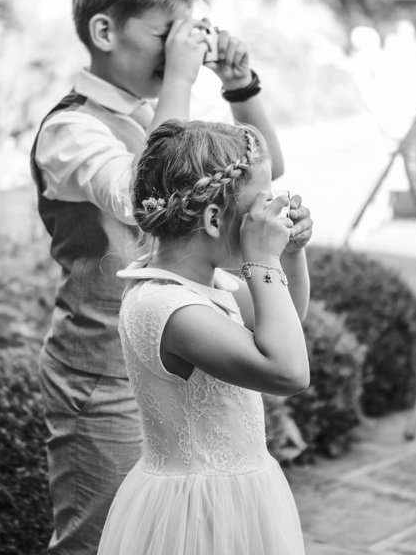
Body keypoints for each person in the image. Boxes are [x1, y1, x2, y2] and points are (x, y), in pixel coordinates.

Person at [29, 0, 285, 554]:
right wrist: (179, 79)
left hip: (185, 357)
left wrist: (239, 86)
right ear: (104, 30)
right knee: (99, 542)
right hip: (105, 376)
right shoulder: (71, 130)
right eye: (166, 34)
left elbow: (260, 175)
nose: (181, 49)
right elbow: (145, 190)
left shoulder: (154, 115)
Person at [97, 119, 311, 554]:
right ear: (214, 218)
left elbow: (285, 325)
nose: (270, 215)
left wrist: (289, 253)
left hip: (241, 496)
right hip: (197, 516)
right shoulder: (167, 308)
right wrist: (264, 259)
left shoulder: (210, 284)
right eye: (260, 206)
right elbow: (288, 371)